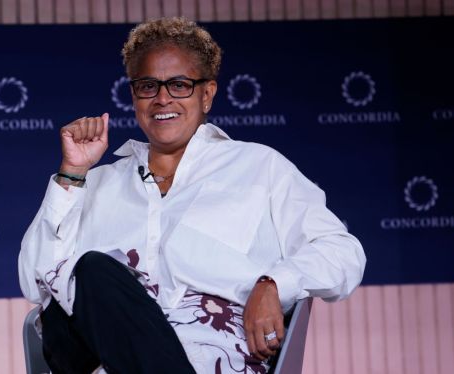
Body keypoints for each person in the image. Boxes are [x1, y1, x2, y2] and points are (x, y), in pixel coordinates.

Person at [19, 17, 366, 374]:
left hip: (212, 357)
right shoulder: (96, 183)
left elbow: (342, 253)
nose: (162, 98)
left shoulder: (259, 167)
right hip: (109, 357)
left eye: (180, 84)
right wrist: (73, 172)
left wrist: (274, 283)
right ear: (134, 95)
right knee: (87, 277)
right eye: (148, 86)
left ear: (207, 94)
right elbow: (34, 280)